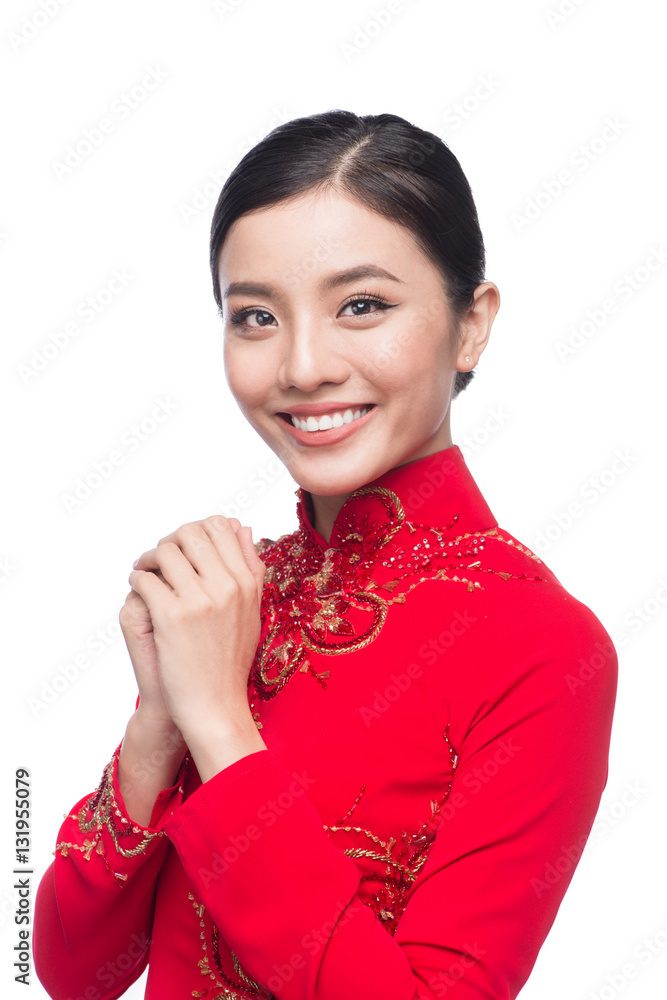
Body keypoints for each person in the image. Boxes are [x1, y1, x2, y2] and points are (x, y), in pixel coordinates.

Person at [33, 109, 618, 1000]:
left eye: (362, 306)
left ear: (471, 324)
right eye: (256, 316)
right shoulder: (231, 598)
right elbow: (76, 973)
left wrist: (221, 727)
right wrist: (158, 719)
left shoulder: (543, 648)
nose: (302, 366)